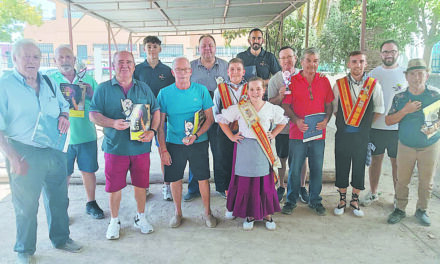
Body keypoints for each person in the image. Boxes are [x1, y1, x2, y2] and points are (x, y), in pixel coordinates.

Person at [0, 39, 82, 264]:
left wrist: (64, 117)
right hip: (23, 152)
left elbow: (64, 105)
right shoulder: (5, 85)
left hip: (54, 148)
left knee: (59, 198)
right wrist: (12, 156)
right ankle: (24, 250)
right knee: (26, 204)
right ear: (14, 59)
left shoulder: (48, 81)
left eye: (35, 57)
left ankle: (61, 239)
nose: (31, 61)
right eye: (25, 56)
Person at [90, 51, 160, 239]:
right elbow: (93, 114)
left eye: (129, 62)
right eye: (120, 62)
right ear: (113, 65)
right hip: (115, 147)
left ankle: (141, 217)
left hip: (140, 147)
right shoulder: (104, 88)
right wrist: (112, 123)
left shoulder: (144, 88)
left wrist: (152, 131)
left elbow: (156, 111)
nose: (124, 65)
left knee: (141, 185)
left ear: (134, 65)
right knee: (114, 187)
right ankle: (114, 220)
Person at [217, 76, 286, 230]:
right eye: (252, 89)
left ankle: (267, 213)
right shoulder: (241, 108)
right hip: (245, 148)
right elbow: (222, 120)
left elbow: (282, 121)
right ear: (247, 91)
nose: (255, 92)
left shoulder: (270, 108)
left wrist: (273, 134)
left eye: (258, 89)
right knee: (246, 183)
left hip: (263, 149)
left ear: (264, 90)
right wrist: (231, 136)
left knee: (264, 183)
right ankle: (250, 214)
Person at [157, 57, 217, 228]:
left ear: (191, 71)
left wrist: (196, 136)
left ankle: (207, 213)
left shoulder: (201, 91)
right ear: (172, 72)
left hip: (198, 142)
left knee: (203, 178)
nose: (182, 73)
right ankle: (178, 213)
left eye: (185, 69)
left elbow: (210, 119)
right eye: (178, 69)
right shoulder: (164, 94)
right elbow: (160, 126)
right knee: (175, 179)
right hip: (174, 143)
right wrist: (163, 150)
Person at [50, 45, 104, 219]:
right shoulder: (49, 80)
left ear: (74, 60)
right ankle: (61, 209)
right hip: (60, 138)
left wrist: (90, 92)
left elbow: (100, 103)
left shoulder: (87, 79)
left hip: (86, 135)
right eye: (61, 57)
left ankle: (91, 202)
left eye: (68, 57)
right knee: (63, 175)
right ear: (55, 61)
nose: (65, 60)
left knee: (88, 171)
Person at [386, 59, 440, 226]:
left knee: (426, 181)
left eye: (420, 73)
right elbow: (388, 121)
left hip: (429, 145)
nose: (417, 78)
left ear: (427, 75)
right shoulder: (400, 97)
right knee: (402, 180)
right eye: (412, 74)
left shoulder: (435, 95)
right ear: (406, 76)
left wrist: (434, 126)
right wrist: (405, 110)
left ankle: (422, 210)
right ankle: (400, 209)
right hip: (406, 145)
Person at [281, 47, 334, 216]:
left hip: (318, 133)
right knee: (295, 169)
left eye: (316, 61)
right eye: (309, 60)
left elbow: (329, 105)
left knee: (317, 168)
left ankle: (315, 200)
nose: (312, 64)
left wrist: (326, 120)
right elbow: (286, 105)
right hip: (298, 133)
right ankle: (290, 201)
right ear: (302, 62)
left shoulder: (324, 81)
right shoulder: (292, 81)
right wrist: (296, 120)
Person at [332, 51, 384, 217]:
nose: (358, 65)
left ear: (366, 64)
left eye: (361, 61)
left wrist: (363, 124)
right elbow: (335, 110)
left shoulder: (374, 85)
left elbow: (378, 110)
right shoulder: (338, 84)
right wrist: (349, 122)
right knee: (341, 164)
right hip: (343, 134)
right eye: (354, 61)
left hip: (362, 136)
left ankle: (354, 200)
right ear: (349, 64)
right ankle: (341, 199)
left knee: (359, 166)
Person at [361, 40, 407, 206]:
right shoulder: (373, 74)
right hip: (376, 127)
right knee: (375, 160)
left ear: (398, 53)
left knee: (397, 163)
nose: (389, 55)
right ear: (381, 54)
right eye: (386, 52)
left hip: (398, 128)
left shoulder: (405, 73)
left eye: (392, 51)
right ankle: (373, 192)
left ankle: (397, 197)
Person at [186, 34, 228, 201]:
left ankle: (221, 186)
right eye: (204, 46)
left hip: (219, 117)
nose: (207, 49)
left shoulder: (225, 66)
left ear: (215, 47)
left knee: (220, 153)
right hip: (198, 118)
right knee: (196, 154)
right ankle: (194, 188)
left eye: (210, 45)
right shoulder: (190, 67)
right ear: (199, 48)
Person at [134, 35, 175, 201]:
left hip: (162, 118)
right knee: (142, 155)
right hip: (141, 116)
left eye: (155, 46)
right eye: (149, 46)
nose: (152, 50)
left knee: (163, 151)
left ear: (160, 49)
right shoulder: (137, 70)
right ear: (144, 49)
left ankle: (166, 186)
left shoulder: (167, 71)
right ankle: (144, 186)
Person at [268, 46, 309, 203]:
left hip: (300, 126)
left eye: (289, 57)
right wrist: (280, 96)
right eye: (283, 58)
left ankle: (302, 186)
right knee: (282, 158)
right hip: (283, 128)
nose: (287, 61)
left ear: (295, 58)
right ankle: (281, 186)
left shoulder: (304, 76)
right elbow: (269, 104)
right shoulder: (275, 80)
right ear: (279, 61)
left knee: (302, 158)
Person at [213, 58, 248, 204]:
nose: (235, 72)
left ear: (243, 72)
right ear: (227, 72)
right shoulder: (220, 89)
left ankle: (243, 189)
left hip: (245, 132)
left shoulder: (249, 88)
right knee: (225, 160)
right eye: (232, 69)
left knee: (243, 161)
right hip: (225, 131)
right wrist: (229, 133)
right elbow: (215, 112)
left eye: (238, 69)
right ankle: (227, 190)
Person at [236, 28, 280, 95]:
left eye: (259, 38)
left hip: (264, 96)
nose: (256, 41)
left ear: (263, 40)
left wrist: (264, 82)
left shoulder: (270, 57)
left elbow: (278, 76)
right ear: (249, 40)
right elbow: (235, 76)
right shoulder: (240, 57)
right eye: (253, 38)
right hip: (245, 95)